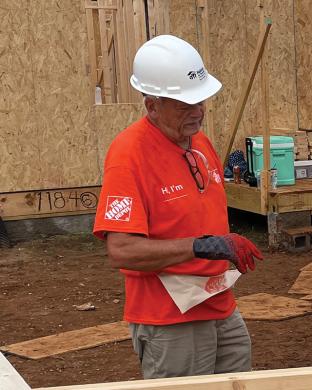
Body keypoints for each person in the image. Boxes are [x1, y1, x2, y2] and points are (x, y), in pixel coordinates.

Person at [93, 35, 263, 379]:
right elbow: (122, 250)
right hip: (170, 319)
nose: (198, 112)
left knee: (240, 383)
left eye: (200, 101)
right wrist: (202, 246)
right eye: (184, 105)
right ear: (152, 105)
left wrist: (219, 245)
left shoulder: (199, 141)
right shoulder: (129, 155)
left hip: (218, 303)